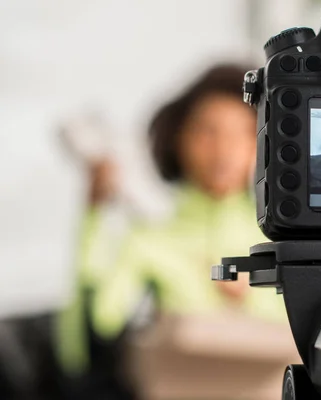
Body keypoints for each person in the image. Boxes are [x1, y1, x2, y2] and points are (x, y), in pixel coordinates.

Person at [55, 64, 287, 398]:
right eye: (207, 132)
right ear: (178, 138)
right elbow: (84, 348)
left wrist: (249, 301)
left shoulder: (282, 237)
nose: (223, 150)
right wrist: (95, 216)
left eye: (241, 133)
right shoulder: (148, 238)